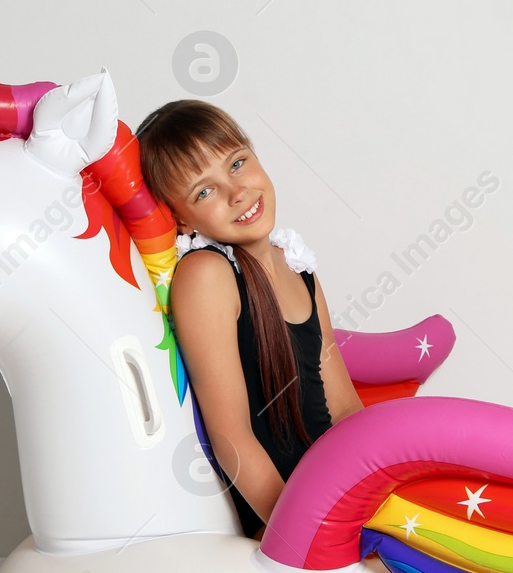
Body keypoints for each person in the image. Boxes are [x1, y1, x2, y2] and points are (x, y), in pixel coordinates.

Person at [135, 100, 365, 540]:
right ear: (181, 219)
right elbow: (232, 436)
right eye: (204, 191)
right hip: (280, 520)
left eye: (237, 163)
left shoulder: (299, 267)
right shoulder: (207, 275)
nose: (236, 192)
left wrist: (374, 494)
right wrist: (303, 532)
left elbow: (345, 408)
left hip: (340, 502)